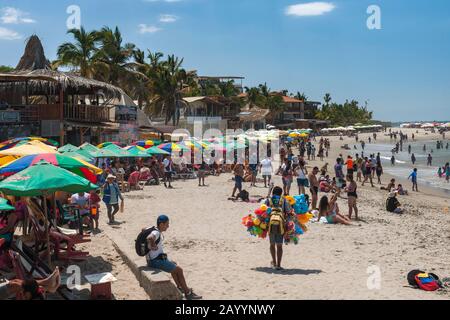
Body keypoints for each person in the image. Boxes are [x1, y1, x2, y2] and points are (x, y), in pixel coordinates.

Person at [146, 215, 202, 300]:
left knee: (173, 264)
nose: (168, 226)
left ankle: (180, 287)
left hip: (155, 258)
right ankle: (188, 293)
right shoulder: (156, 233)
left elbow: (143, 229)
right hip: (155, 261)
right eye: (167, 224)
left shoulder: (152, 228)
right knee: (179, 270)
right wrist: (153, 245)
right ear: (161, 224)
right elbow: (150, 238)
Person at [265, 187, 291, 270]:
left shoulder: (269, 200)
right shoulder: (284, 200)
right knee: (279, 245)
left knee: (272, 244)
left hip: (271, 225)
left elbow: (264, 211)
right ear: (281, 193)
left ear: (273, 193)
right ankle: (279, 265)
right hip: (281, 225)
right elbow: (288, 211)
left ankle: (274, 262)